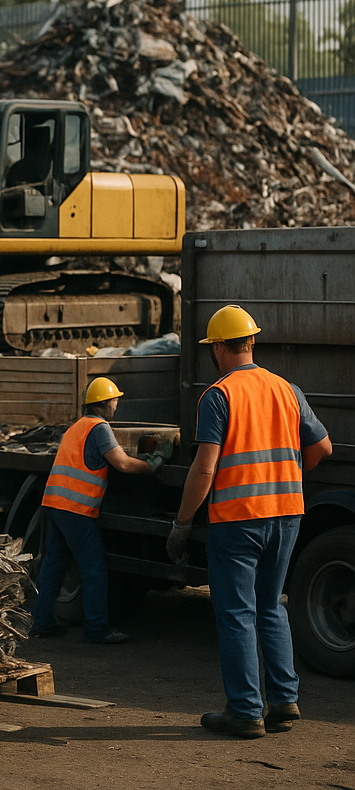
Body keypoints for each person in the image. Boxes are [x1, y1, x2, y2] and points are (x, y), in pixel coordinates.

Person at [166, 304, 332, 739]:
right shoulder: (287, 389)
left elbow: (204, 470)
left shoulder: (218, 395)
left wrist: (182, 524)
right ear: (252, 341)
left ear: (217, 347)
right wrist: (283, 475)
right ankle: (284, 701)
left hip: (238, 520)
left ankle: (244, 711)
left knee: (237, 613)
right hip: (288, 514)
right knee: (271, 605)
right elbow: (322, 448)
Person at [31, 377, 171, 644]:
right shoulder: (100, 428)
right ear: (106, 403)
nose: (117, 404)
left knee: (53, 565)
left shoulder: (76, 428)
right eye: (115, 400)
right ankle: (96, 628)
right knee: (93, 568)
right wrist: (151, 465)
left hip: (54, 504)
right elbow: (123, 464)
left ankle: (42, 622)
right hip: (76, 510)